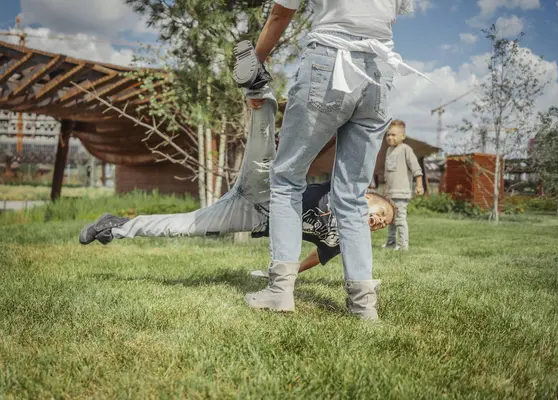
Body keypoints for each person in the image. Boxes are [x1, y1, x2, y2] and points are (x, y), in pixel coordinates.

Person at [79, 87, 396, 277]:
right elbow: (350, 153)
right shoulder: (343, 191)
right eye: (382, 212)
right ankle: (261, 94)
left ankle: (115, 226)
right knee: (264, 149)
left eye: (384, 224)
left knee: (184, 226)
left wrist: (289, 276)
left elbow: (318, 256)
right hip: (270, 186)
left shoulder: (346, 238)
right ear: (367, 196)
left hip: (250, 214)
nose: (380, 221)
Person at [244, 0, 428, 320]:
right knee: (353, 195)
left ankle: (279, 292)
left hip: (330, 58)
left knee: (287, 178)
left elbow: (279, 13)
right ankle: (363, 307)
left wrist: (254, 61)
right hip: (380, 71)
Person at [381, 120, 424, 251]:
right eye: (388, 135)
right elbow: (387, 173)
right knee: (391, 220)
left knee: (400, 220)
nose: (390, 137)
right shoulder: (389, 150)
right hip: (390, 193)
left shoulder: (406, 149)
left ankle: (403, 245)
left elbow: (416, 168)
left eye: (393, 135)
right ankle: (391, 242)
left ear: (403, 136)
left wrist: (419, 185)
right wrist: (385, 190)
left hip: (401, 193)